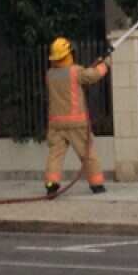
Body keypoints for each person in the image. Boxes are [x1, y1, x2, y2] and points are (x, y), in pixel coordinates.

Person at [44, 36, 110, 196]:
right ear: (69, 54)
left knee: (55, 155)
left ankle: (51, 184)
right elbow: (92, 76)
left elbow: (75, 79)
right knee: (87, 154)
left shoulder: (50, 75)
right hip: (76, 123)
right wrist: (105, 65)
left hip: (56, 124)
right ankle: (97, 184)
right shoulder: (76, 72)